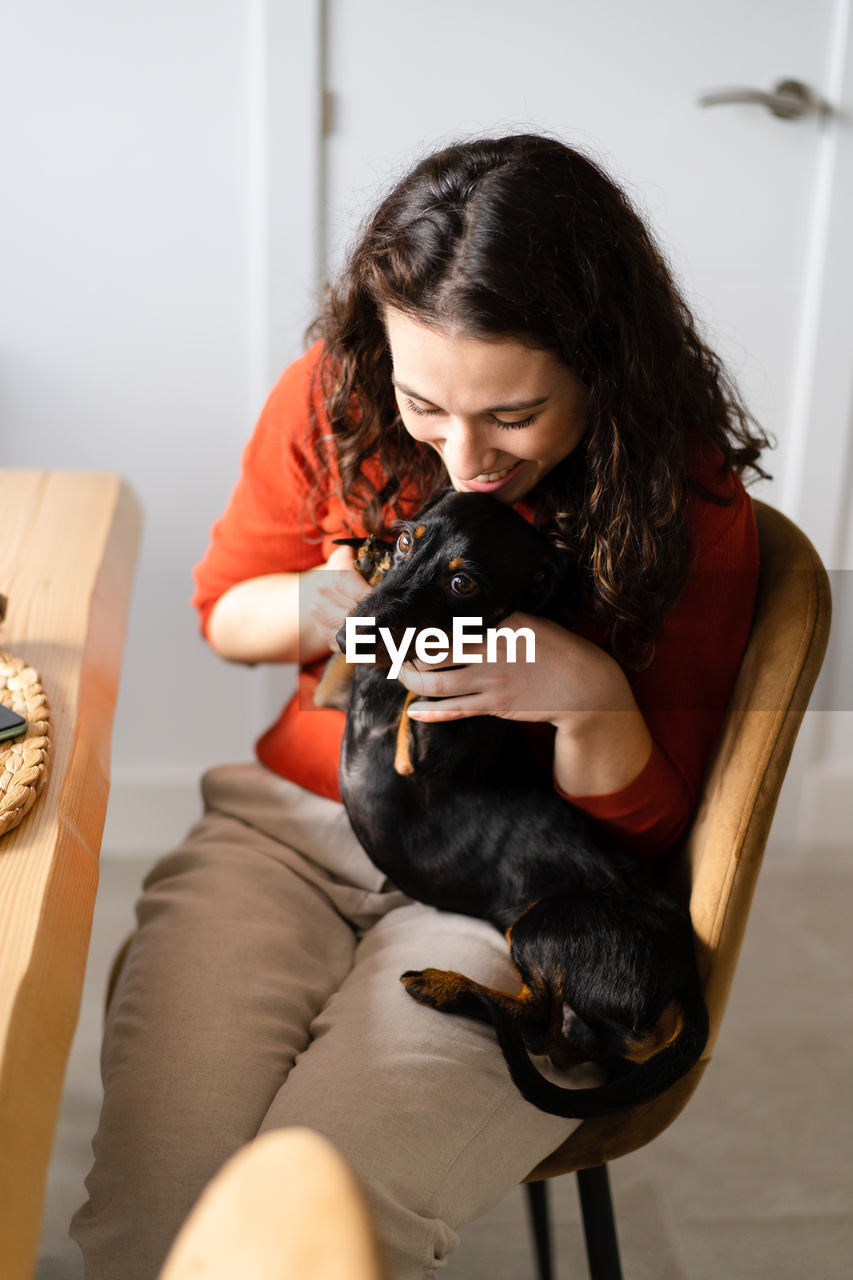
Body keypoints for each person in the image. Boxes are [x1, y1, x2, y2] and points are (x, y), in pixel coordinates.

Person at [71, 133, 768, 1279]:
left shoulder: (686, 502)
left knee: (321, 1231)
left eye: (513, 414)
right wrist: (318, 600)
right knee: (152, 1216)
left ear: (605, 367)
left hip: (514, 892)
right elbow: (219, 610)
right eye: (424, 404)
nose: (462, 456)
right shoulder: (328, 402)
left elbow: (661, 833)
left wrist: (593, 700)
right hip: (282, 835)